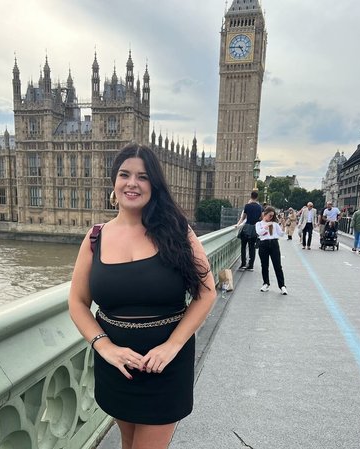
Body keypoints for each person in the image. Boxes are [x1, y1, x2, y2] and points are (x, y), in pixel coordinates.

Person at [68, 143, 216, 449]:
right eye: (125, 174)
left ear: (154, 185)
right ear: (114, 181)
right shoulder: (95, 237)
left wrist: (172, 346)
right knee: (129, 441)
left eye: (143, 176)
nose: (132, 183)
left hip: (165, 365)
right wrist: (104, 347)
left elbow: (206, 292)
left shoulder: (178, 231)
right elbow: (77, 303)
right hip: (117, 367)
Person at [255, 206, 288, 295]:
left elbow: (281, 234)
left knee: (277, 266)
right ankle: (266, 283)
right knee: (264, 265)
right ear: (265, 214)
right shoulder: (259, 224)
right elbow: (259, 232)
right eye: (270, 215)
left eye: (272, 216)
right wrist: (266, 226)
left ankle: (282, 286)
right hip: (263, 244)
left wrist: (283, 226)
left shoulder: (275, 224)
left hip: (274, 244)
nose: (271, 217)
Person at [235, 191, 262, 271]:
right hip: (254, 229)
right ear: (257, 197)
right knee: (252, 247)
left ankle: (243, 264)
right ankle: (251, 266)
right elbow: (261, 218)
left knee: (243, 246)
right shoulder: (259, 207)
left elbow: (243, 218)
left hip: (246, 228)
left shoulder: (247, 206)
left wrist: (237, 225)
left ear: (251, 196)